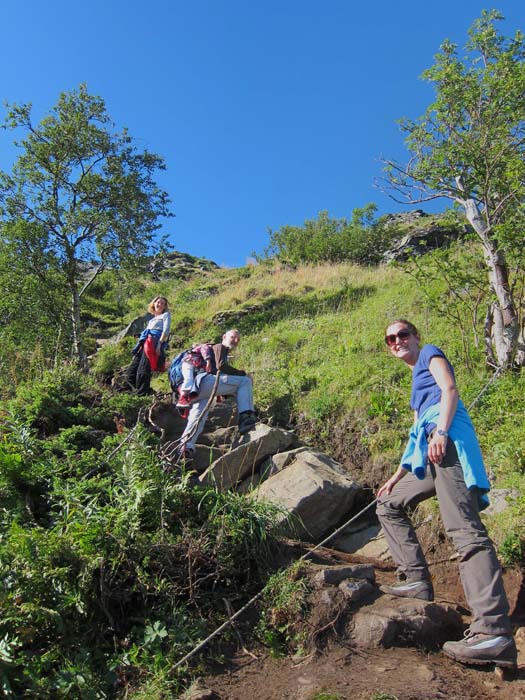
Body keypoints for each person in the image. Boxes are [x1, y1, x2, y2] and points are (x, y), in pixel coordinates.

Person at [376, 319, 516, 669]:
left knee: (465, 532)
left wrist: (441, 432)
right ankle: (416, 580)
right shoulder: (414, 382)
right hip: (428, 451)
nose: (397, 341)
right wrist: (396, 476)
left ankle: (493, 630)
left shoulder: (429, 354)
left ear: (416, 336)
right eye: (391, 338)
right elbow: (414, 435)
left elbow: (449, 390)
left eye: (402, 334)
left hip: (447, 444)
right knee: (387, 503)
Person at [178, 329, 257, 458]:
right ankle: (246, 418)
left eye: (238, 339)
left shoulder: (219, 351)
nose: (236, 341)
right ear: (224, 336)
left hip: (197, 389)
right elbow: (221, 366)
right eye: (233, 337)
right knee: (245, 381)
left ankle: (185, 447)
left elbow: (220, 373)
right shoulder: (220, 347)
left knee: (198, 416)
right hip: (204, 382)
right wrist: (242, 373)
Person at [126, 296, 171, 396]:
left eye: (162, 304)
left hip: (153, 343)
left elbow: (166, 331)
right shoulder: (151, 320)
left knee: (143, 370)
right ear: (154, 303)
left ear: (164, 307)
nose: (160, 305)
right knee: (130, 373)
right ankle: (138, 391)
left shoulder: (165, 315)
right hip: (144, 343)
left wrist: (159, 344)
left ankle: (142, 394)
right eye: (158, 302)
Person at [175, 343, 214, 409]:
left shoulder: (202, 354)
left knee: (197, 380)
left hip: (195, 366)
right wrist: (208, 361)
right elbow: (204, 350)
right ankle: (182, 399)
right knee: (189, 379)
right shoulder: (205, 346)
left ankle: (190, 397)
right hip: (188, 363)